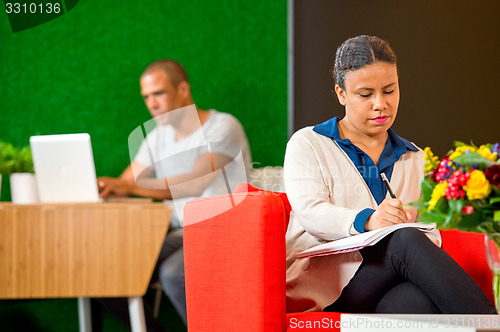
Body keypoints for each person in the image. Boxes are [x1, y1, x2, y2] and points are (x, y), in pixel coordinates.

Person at [284, 35, 496, 314]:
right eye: (365, 94)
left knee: (417, 301)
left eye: (389, 91)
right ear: (341, 94)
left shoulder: (413, 156)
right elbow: (311, 212)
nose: (380, 104)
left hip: (388, 280)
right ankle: (492, 323)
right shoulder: (308, 143)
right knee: (403, 239)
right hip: (323, 284)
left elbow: (428, 236)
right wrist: (371, 220)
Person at [96, 59, 252, 330]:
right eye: (146, 96)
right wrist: (105, 188)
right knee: (109, 271)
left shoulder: (223, 125)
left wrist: (129, 187)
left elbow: (193, 184)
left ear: (183, 88)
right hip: (182, 232)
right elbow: (124, 184)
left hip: (227, 228)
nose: (152, 103)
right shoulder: (156, 138)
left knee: (173, 274)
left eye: (159, 93)